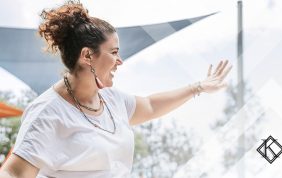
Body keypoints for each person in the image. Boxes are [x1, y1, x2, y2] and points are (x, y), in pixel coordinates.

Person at [0, 1, 232, 178]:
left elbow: (150, 105)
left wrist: (198, 87)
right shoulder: (47, 113)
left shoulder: (110, 100)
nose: (120, 61)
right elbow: (12, 173)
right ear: (87, 56)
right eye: (113, 52)